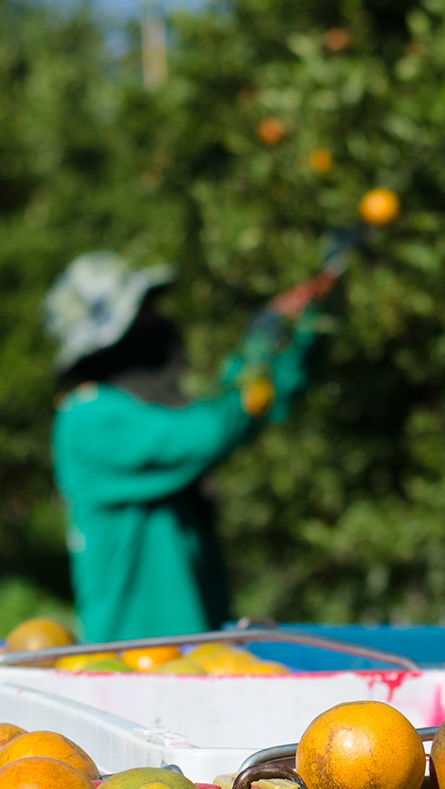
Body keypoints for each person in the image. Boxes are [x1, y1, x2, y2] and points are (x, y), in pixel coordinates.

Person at [45, 252, 318, 643]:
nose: (159, 322)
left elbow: (243, 406)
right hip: (131, 663)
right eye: (144, 312)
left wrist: (305, 327)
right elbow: (213, 428)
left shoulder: (144, 408)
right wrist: (260, 343)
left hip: (191, 659)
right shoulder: (90, 419)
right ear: (111, 339)